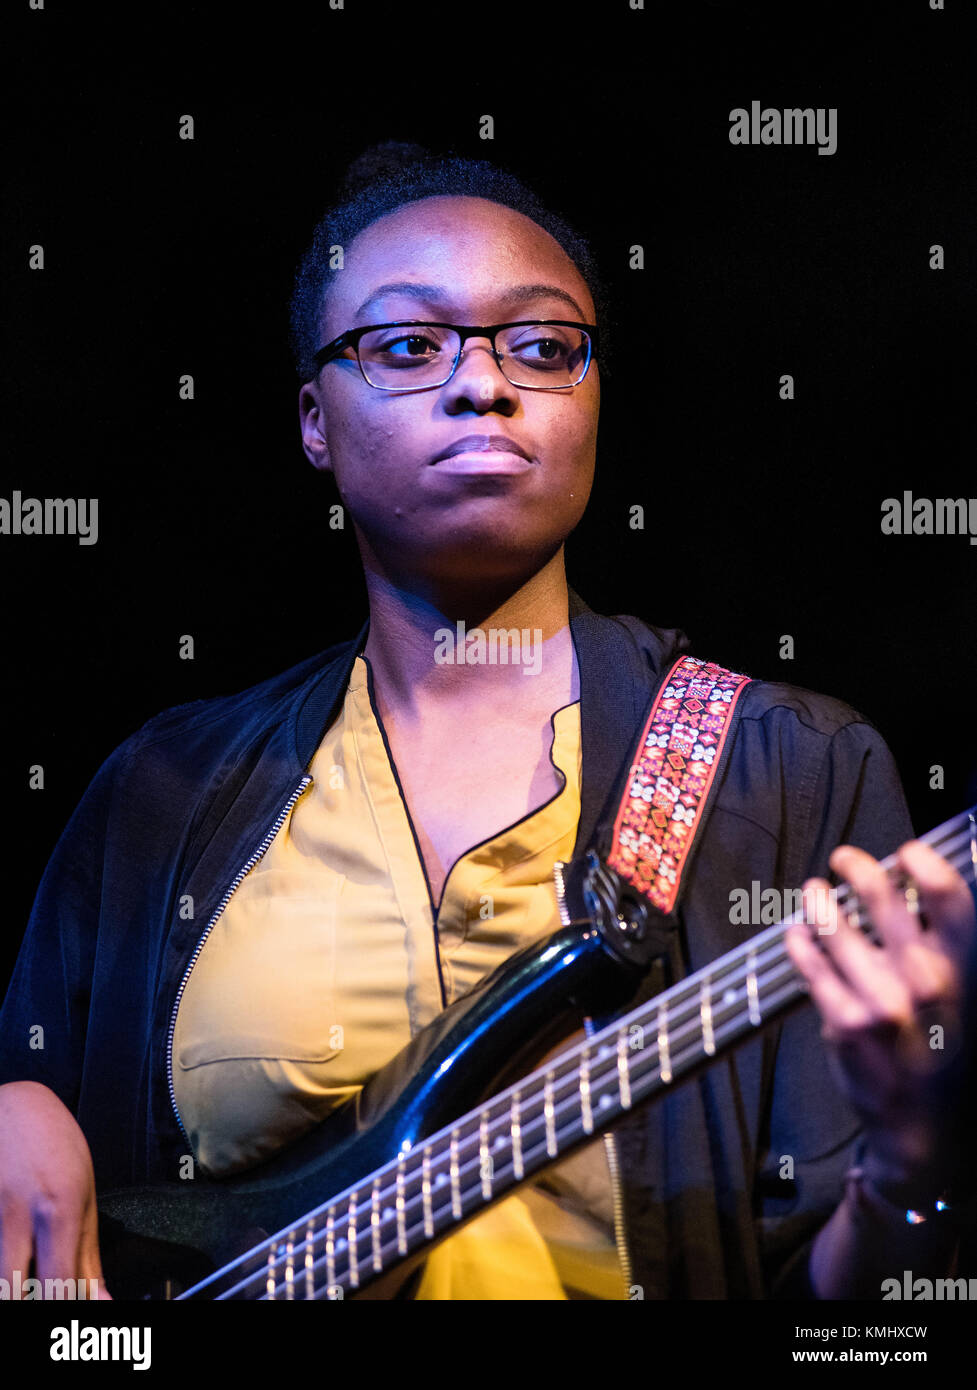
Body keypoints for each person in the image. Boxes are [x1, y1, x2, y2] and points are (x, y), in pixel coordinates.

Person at [1, 145, 974, 1301]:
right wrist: (18, 1109)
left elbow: (860, 1322)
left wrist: (918, 1154)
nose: (484, 384)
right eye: (410, 346)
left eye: (542, 346)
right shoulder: (160, 792)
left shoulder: (787, 772)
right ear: (313, 422)